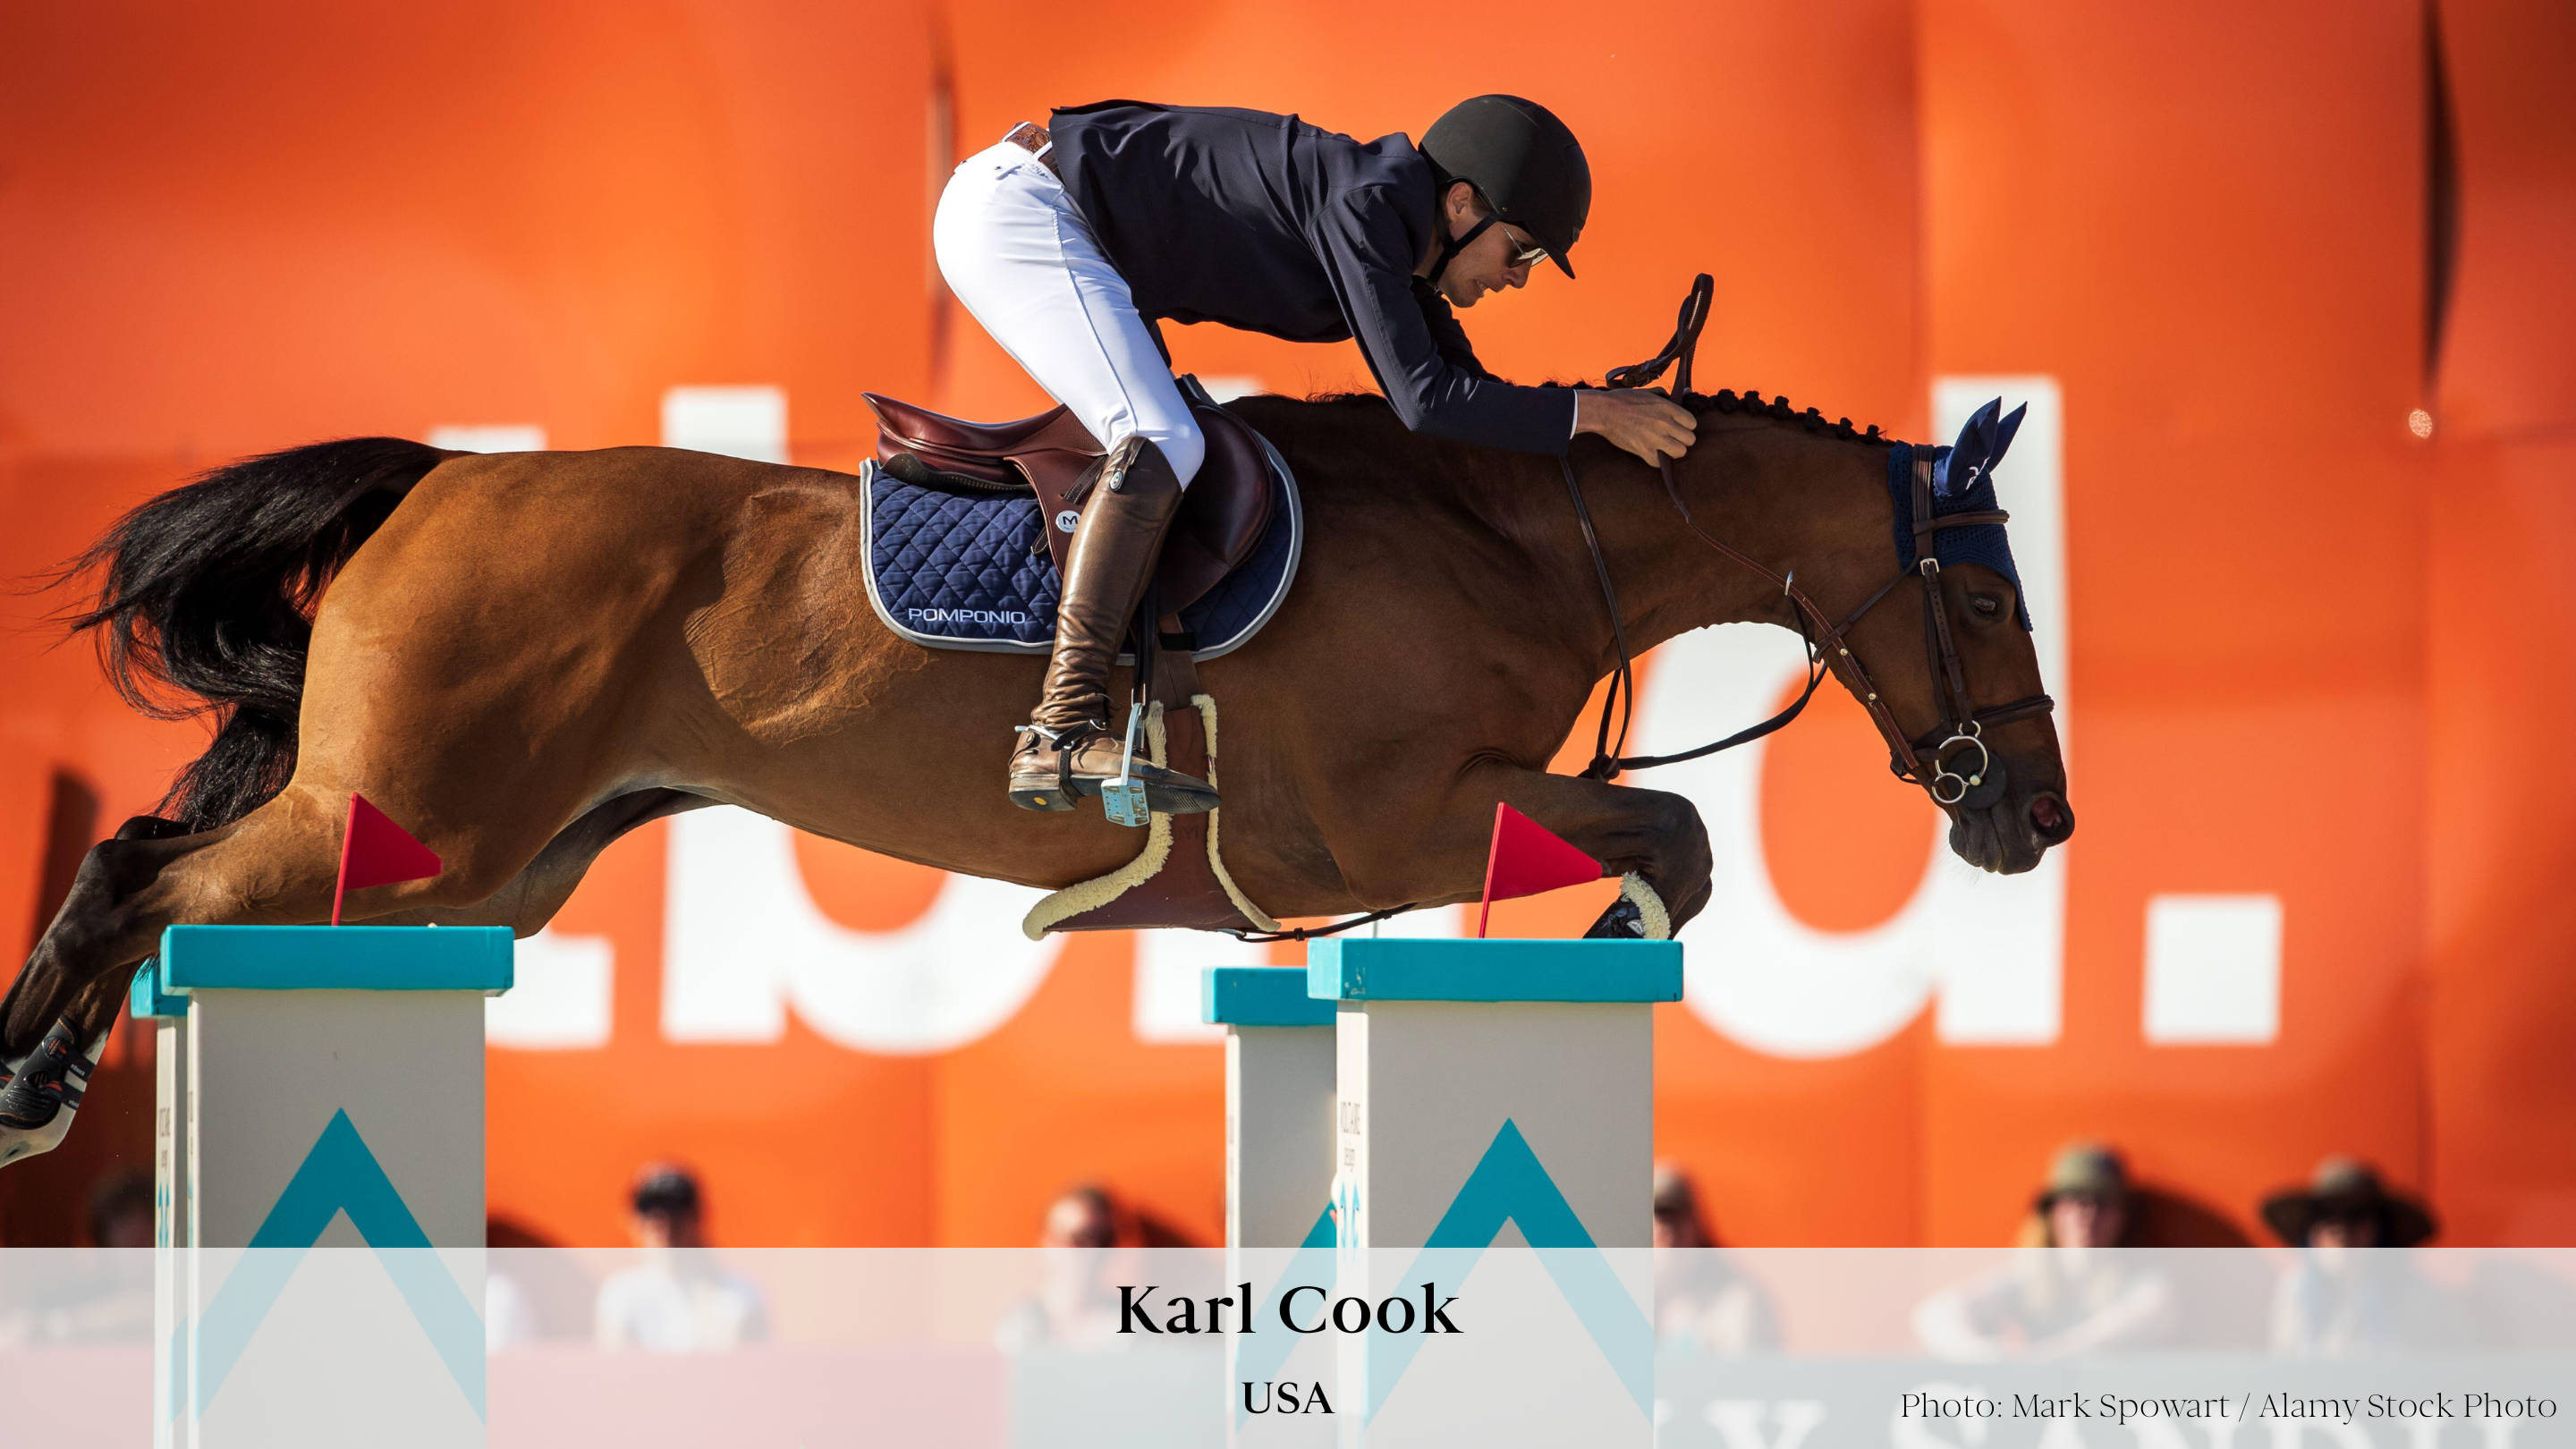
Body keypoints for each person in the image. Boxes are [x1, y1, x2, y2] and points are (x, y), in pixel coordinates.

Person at [933, 97, 1699, 817]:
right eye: (1522, 247)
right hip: (1024, 213)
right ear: (1462, 204)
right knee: (1163, 437)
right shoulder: (1365, 206)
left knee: (1174, 437)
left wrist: (1602, 434)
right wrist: (1595, 413)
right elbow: (1426, 401)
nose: (1518, 275)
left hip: (1060, 219)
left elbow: (1471, 399)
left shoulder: (1397, 230)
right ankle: (1061, 727)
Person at [1914, 1141, 2176, 1360]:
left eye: (2102, 1202)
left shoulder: (2147, 1284)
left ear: (2123, 1216)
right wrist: (1990, 1355)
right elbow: (1936, 1315)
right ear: (2052, 1213)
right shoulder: (2031, 1278)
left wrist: (2038, 1359)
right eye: (2074, 1200)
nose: (2087, 1214)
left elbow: (2140, 1321)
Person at [2262, 1156, 2445, 1355]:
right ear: (2310, 1232)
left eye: (2355, 1216)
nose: (2340, 1231)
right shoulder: (2295, 1292)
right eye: (2325, 1217)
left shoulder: (2416, 1297)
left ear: (2380, 1231)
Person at [593, 1164, 769, 1353]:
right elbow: (615, 1371)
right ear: (633, 1221)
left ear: (697, 1218)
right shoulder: (620, 1294)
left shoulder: (739, 1295)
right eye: (651, 1214)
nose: (664, 1226)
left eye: (675, 1213)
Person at [1649, 1163, 1778, 1353]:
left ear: (1696, 1226)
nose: (1667, 1232)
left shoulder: (1740, 1302)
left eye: (1676, 1220)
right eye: (1658, 1221)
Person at [996, 1183, 1133, 1352]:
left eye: (1104, 1240)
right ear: (1048, 1241)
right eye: (1078, 1239)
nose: (1093, 1251)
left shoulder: (1134, 1325)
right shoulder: (1014, 1325)